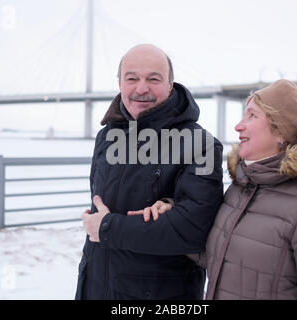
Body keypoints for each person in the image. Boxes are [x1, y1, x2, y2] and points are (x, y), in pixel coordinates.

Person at [136, 79, 297, 299]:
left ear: (281, 131)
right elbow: (221, 255)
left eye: (252, 115)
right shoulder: (243, 189)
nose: (238, 125)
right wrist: (176, 213)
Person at [75, 44, 224, 300]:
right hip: (95, 286)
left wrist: (108, 228)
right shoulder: (107, 137)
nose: (141, 88)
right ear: (120, 83)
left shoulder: (201, 144)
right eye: (131, 78)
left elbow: (194, 229)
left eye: (153, 79)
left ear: (170, 84)